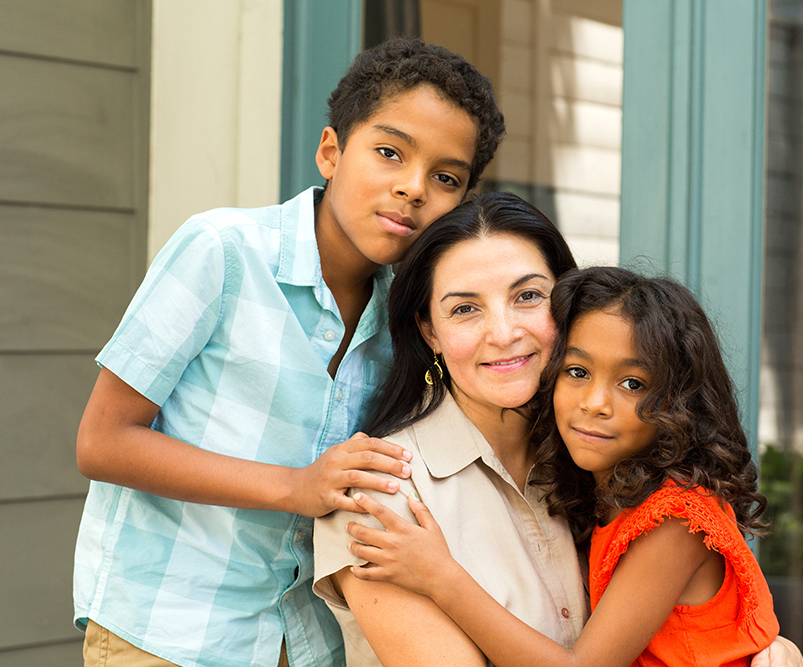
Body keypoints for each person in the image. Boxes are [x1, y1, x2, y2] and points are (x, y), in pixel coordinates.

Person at [72, 38, 505, 667]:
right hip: (170, 632)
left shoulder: (413, 317)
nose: (413, 188)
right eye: (389, 153)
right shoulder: (223, 250)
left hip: (309, 643)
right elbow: (103, 441)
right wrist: (295, 487)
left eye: (445, 178)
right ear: (332, 152)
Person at [313, 199, 802, 667]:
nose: (503, 333)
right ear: (430, 333)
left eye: (527, 296)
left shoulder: (596, 468)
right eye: (465, 308)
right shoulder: (381, 493)